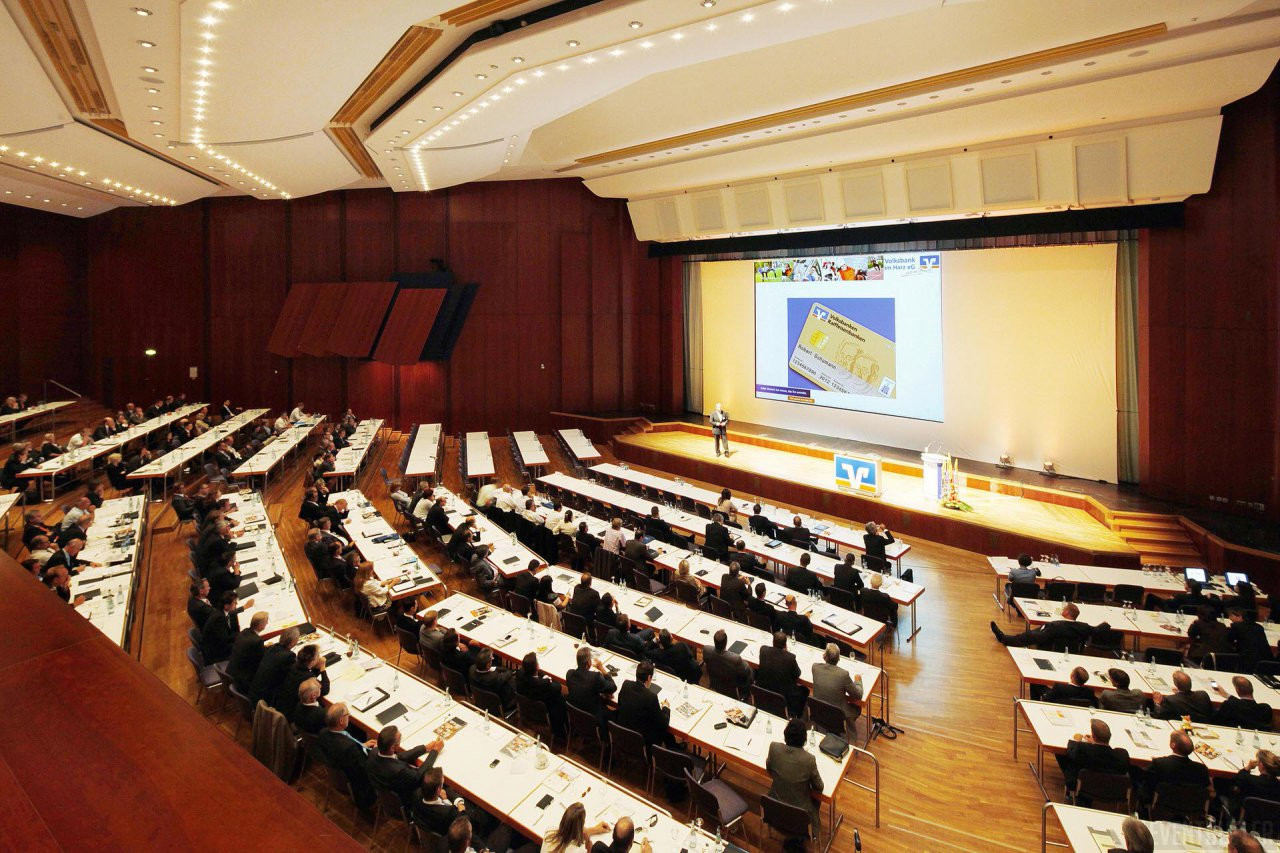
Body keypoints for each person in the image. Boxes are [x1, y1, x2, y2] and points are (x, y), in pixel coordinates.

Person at [766, 719, 823, 834]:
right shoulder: (809, 760)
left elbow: (769, 769)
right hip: (800, 820)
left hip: (774, 812)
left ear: (785, 734)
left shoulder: (774, 748)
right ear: (804, 740)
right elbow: (819, 787)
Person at [366, 725, 444, 807]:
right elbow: (418, 776)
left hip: (386, 791)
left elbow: (399, 756)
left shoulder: (373, 753)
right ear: (392, 747)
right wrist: (435, 751)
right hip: (407, 801)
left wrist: (425, 748)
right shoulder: (399, 771)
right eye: (400, 738)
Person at [1053, 718, 1131, 801]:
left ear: (1093, 736)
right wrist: (1094, 743)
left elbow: (1070, 750)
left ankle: (1071, 792)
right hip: (1112, 791)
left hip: (1085, 788)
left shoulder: (1083, 749)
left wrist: (1078, 741)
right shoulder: (1122, 755)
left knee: (1062, 755)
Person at [317, 703, 377, 808]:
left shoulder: (323, 733)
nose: (349, 716)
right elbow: (364, 769)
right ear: (341, 720)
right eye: (347, 715)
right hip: (364, 786)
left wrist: (362, 745)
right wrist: (376, 752)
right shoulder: (349, 748)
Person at [990, 603, 1107, 651]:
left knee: (1028, 635)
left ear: (1066, 613)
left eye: (1064, 609)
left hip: (1051, 648)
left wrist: (1028, 634)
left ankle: (1003, 638)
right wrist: (1106, 624)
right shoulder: (1084, 627)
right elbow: (1096, 630)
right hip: (1072, 650)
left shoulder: (1055, 625)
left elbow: (1040, 637)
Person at [616, 660, 675, 748]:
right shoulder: (651, 697)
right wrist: (666, 707)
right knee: (664, 731)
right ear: (649, 678)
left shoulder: (626, 684)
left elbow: (619, 704)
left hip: (623, 732)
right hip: (642, 740)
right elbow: (663, 723)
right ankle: (673, 749)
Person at [1141, 731, 1209, 803]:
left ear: (1172, 745)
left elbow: (1148, 782)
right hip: (1191, 807)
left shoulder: (1159, 763)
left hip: (1162, 805)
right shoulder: (1202, 769)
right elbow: (1205, 787)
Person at [810, 643, 863, 738]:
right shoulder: (843, 675)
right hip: (837, 714)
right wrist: (858, 681)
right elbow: (858, 695)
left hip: (819, 710)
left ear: (824, 656)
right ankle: (852, 739)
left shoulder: (815, 667)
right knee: (857, 708)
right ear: (839, 659)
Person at [516, 652, 568, 740]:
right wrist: (548, 680)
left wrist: (544, 677)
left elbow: (536, 676)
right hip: (544, 712)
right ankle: (563, 732)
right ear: (537, 666)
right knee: (561, 698)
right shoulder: (544, 685)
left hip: (527, 709)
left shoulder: (520, 674)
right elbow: (558, 687)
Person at [758, 631, 808, 717]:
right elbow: (797, 673)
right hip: (783, 694)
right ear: (785, 645)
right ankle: (797, 717)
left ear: (773, 642)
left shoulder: (763, 650)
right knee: (805, 690)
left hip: (764, 689)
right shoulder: (790, 658)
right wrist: (786, 653)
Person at [566, 645, 615, 732]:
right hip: (594, 718)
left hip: (576, 715)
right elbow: (613, 688)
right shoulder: (595, 677)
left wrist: (600, 692)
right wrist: (602, 669)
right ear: (589, 663)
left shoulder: (569, 674)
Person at [274, 643, 330, 719]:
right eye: (318, 656)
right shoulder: (308, 677)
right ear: (312, 661)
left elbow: (307, 673)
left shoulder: (294, 666)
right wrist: (322, 668)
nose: (319, 658)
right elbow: (325, 689)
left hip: (280, 705)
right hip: (292, 714)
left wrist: (316, 668)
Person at [1224, 750, 1280, 824]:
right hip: (1271, 824)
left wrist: (1247, 768)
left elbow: (1234, 784)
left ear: (1261, 765)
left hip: (1246, 821)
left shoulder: (1249, 780)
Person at [250, 628, 300, 705]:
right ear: (293, 642)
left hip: (254, 691)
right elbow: (293, 675)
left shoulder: (272, 647)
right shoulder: (289, 656)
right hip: (265, 699)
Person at [225, 611, 268, 692]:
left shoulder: (245, 631)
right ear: (260, 625)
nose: (267, 623)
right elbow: (262, 661)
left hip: (232, 673)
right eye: (266, 622)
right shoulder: (257, 641)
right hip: (243, 681)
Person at [542, 802, 610, 853]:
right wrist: (588, 841)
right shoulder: (578, 850)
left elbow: (570, 831)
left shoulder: (549, 832)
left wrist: (595, 830)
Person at [468, 648, 517, 714]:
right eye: (491, 659)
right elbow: (507, 674)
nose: (493, 658)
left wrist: (495, 668)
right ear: (488, 665)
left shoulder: (472, 669)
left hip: (481, 700)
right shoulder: (494, 677)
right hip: (497, 706)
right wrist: (510, 670)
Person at [201, 591, 241, 663]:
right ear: (226, 606)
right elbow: (225, 639)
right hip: (216, 653)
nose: (236, 604)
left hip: (219, 644)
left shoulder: (221, 612)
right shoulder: (218, 619)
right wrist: (240, 634)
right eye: (234, 603)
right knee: (245, 645)